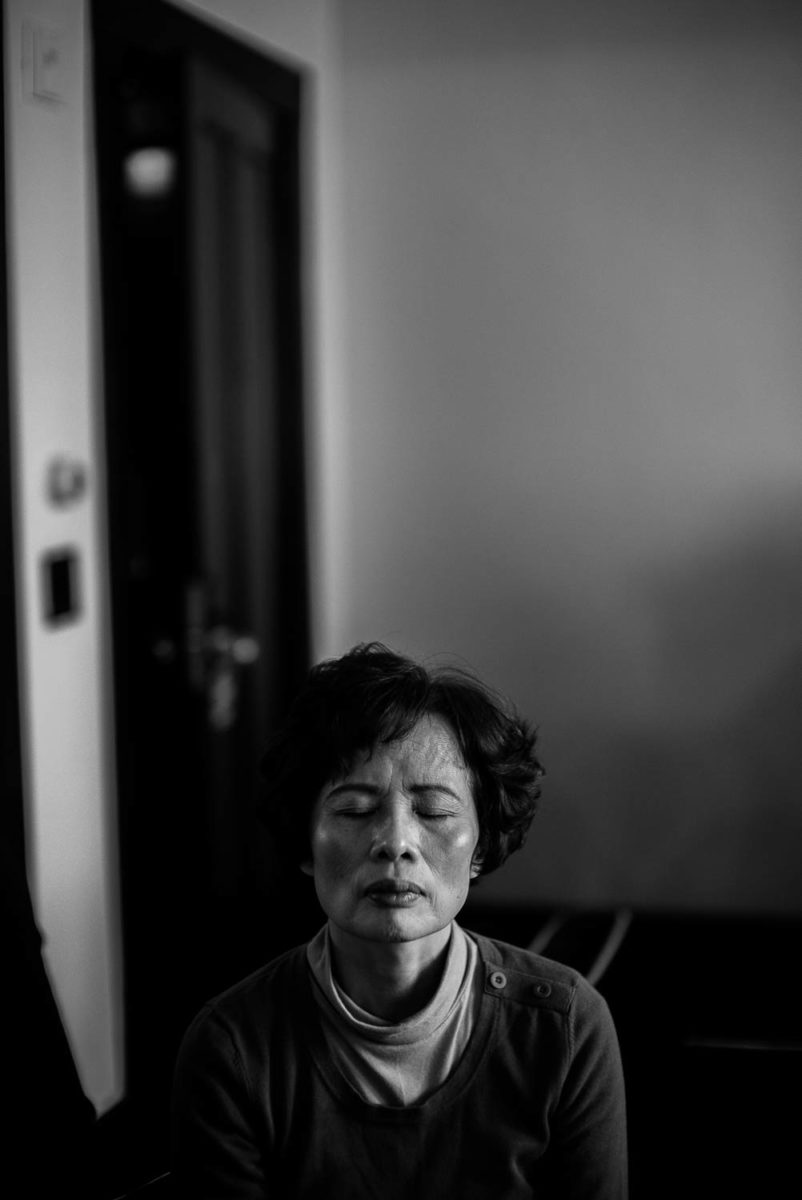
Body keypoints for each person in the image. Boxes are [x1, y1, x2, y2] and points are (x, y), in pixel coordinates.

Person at [171, 642, 627, 1198]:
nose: (394, 843)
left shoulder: (567, 1029)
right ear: (304, 844)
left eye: (433, 810)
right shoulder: (232, 1048)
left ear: (480, 844)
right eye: (354, 810)